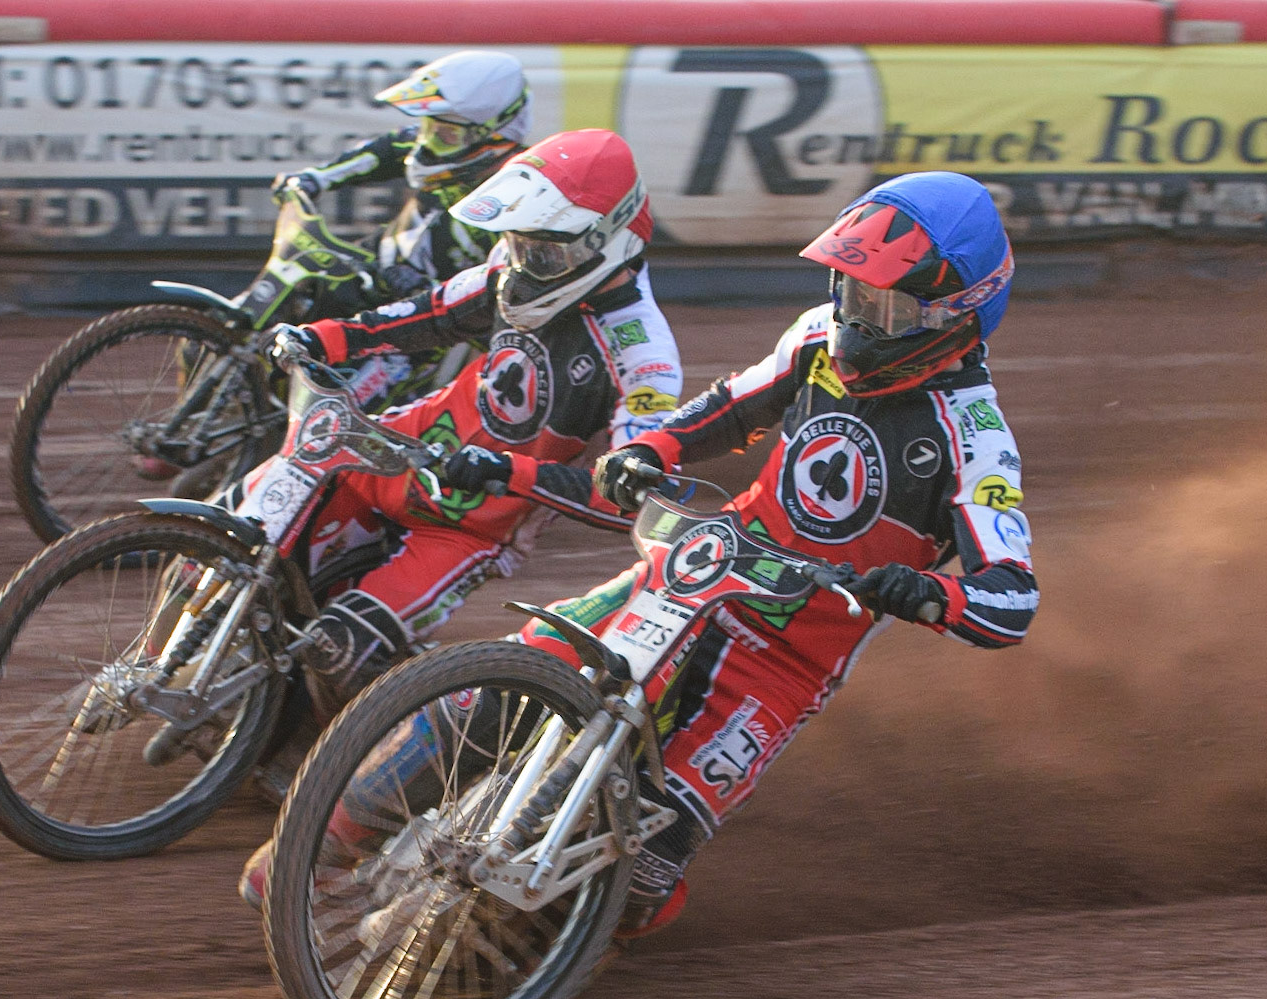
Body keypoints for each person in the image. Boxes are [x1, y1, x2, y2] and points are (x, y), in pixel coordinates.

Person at [571, 170, 1037, 936]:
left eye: (882, 306)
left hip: (783, 663)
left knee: (645, 866)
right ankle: (344, 827)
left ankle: (541, 964)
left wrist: (925, 592)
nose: (855, 319)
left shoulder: (974, 437)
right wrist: (652, 446)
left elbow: (1012, 597)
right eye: (850, 290)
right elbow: (727, 408)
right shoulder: (816, 334)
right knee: (516, 670)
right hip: (694, 573)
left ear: (956, 314)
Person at [235, 128, 684, 907]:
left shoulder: (642, 353)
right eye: (513, 242)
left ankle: (334, 773)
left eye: (541, 251)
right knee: (249, 518)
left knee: (343, 649)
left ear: (602, 242)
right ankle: (235, 691)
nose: (521, 262)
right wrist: (320, 337)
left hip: (472, 524)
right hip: (392, 451)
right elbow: (409, 319)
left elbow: (626, 495)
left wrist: (508, 471)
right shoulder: (509, 274)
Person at [276, 50, 532, 302]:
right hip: (373, 270)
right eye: (428, 126)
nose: (430, 141)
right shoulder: (426, 144)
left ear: (492, 133)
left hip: (429, 318)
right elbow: (379, 153)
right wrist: (313, 179)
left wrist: (427, 288)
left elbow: (511, 293)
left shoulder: (515, 190)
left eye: (447, 133)